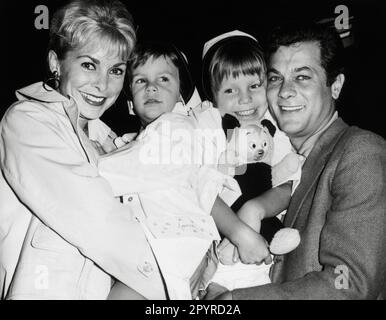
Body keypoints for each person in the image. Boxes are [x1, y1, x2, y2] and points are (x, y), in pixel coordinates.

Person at [206, 21, 386, 300]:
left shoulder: (361, 152)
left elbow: (349, 281)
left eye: (302, 77)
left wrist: (232, 301)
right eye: (276, 78)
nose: (285, 91)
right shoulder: (271, 158)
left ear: (335, 86)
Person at [0, 0, 167, 300]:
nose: (102, 84)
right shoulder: (27, 121)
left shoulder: (110, 140)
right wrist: (173, 271)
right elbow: (95, 218)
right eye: (89, 65)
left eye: (116, 70)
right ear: (56, 63)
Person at [98, 41, 270, 299]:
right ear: (131, 104)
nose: (152, 86)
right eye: (141, 81)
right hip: (160, 256)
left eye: (164, 79)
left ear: (180, 95)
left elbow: (204, 186)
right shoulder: (134, 141)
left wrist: (86, 164)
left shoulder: (177, 128)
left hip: (174, 248)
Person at [200, 30, 302, 291]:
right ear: (213, 95)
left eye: (254, 86)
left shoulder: (273, 128)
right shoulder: (207, 127)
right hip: (214, 249)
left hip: (266, 251)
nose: (244, 99)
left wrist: (255, 209)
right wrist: (237, 231)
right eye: (230, 90)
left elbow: (288, 184)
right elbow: (200, 187)